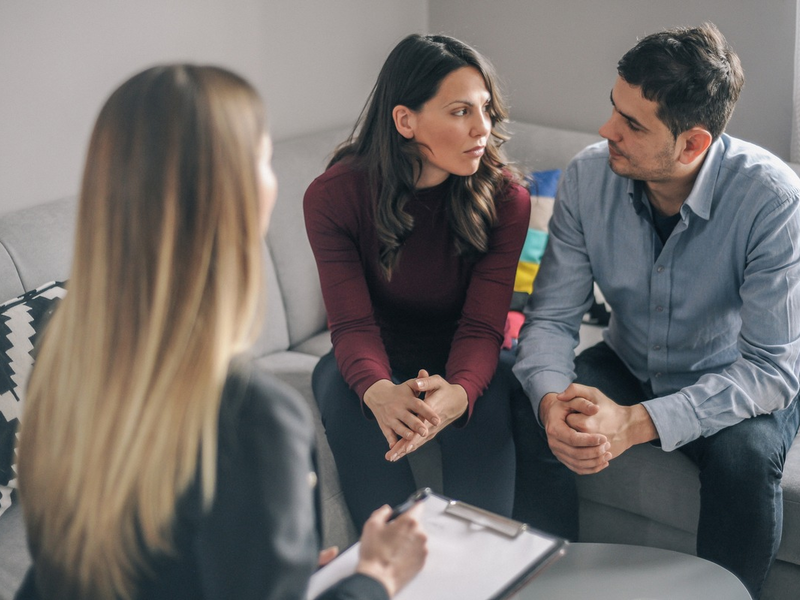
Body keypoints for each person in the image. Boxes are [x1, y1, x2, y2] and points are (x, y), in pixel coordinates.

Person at [14, 64, 427, 600]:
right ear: (235, 197)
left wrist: (274, 571)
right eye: (263, 159)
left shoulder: (58, 356)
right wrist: (375, 577)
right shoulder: (252, 420)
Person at [513, 22, 800, 598]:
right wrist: (550, 402)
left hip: (729, 376)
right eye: (613, 108)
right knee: (524, 401)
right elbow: (551, 320)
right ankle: (546, 584)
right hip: (629, 360)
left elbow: (771, 369)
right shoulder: (587, 176)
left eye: (633, 124)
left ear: (692, 144)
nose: (606, 130)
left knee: (744, 459)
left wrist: (635, 422)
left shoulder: (772, 200)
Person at [304, 34, 531, 529]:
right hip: (374, 352)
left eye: (485, 109)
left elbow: (481, 327)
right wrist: (379, 390)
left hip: (467, 354)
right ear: (405, 121)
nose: (482, 128)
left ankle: (478, 563)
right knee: (340, 390)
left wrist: (460, 392)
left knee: (487, 410)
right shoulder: (334, 196)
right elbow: (352, 324)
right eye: (460, 112)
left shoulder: (507, 200)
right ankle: (393, 558)